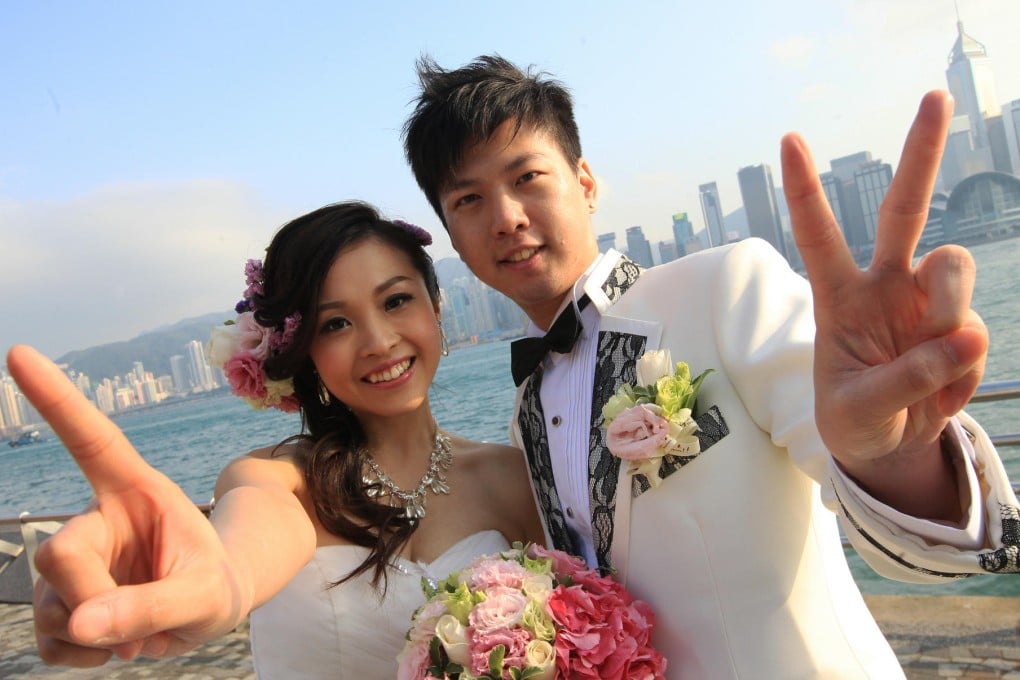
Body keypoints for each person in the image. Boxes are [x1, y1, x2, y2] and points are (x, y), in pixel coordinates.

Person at [401, 55, 1020, 679]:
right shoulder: (526, 407)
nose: (505, 217)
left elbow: (852, 463)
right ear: (453, 234)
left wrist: (897, 460)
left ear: (585, 183)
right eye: (470, 200)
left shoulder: (724, 289)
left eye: (528, 176)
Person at [8, 201, 545, 678]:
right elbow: (239, 558)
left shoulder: (512, 478)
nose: (380, 341)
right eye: (335, 324)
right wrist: (214, 588)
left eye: (396, 301)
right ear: (302, 350)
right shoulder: (280, 480)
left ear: (435, 306)